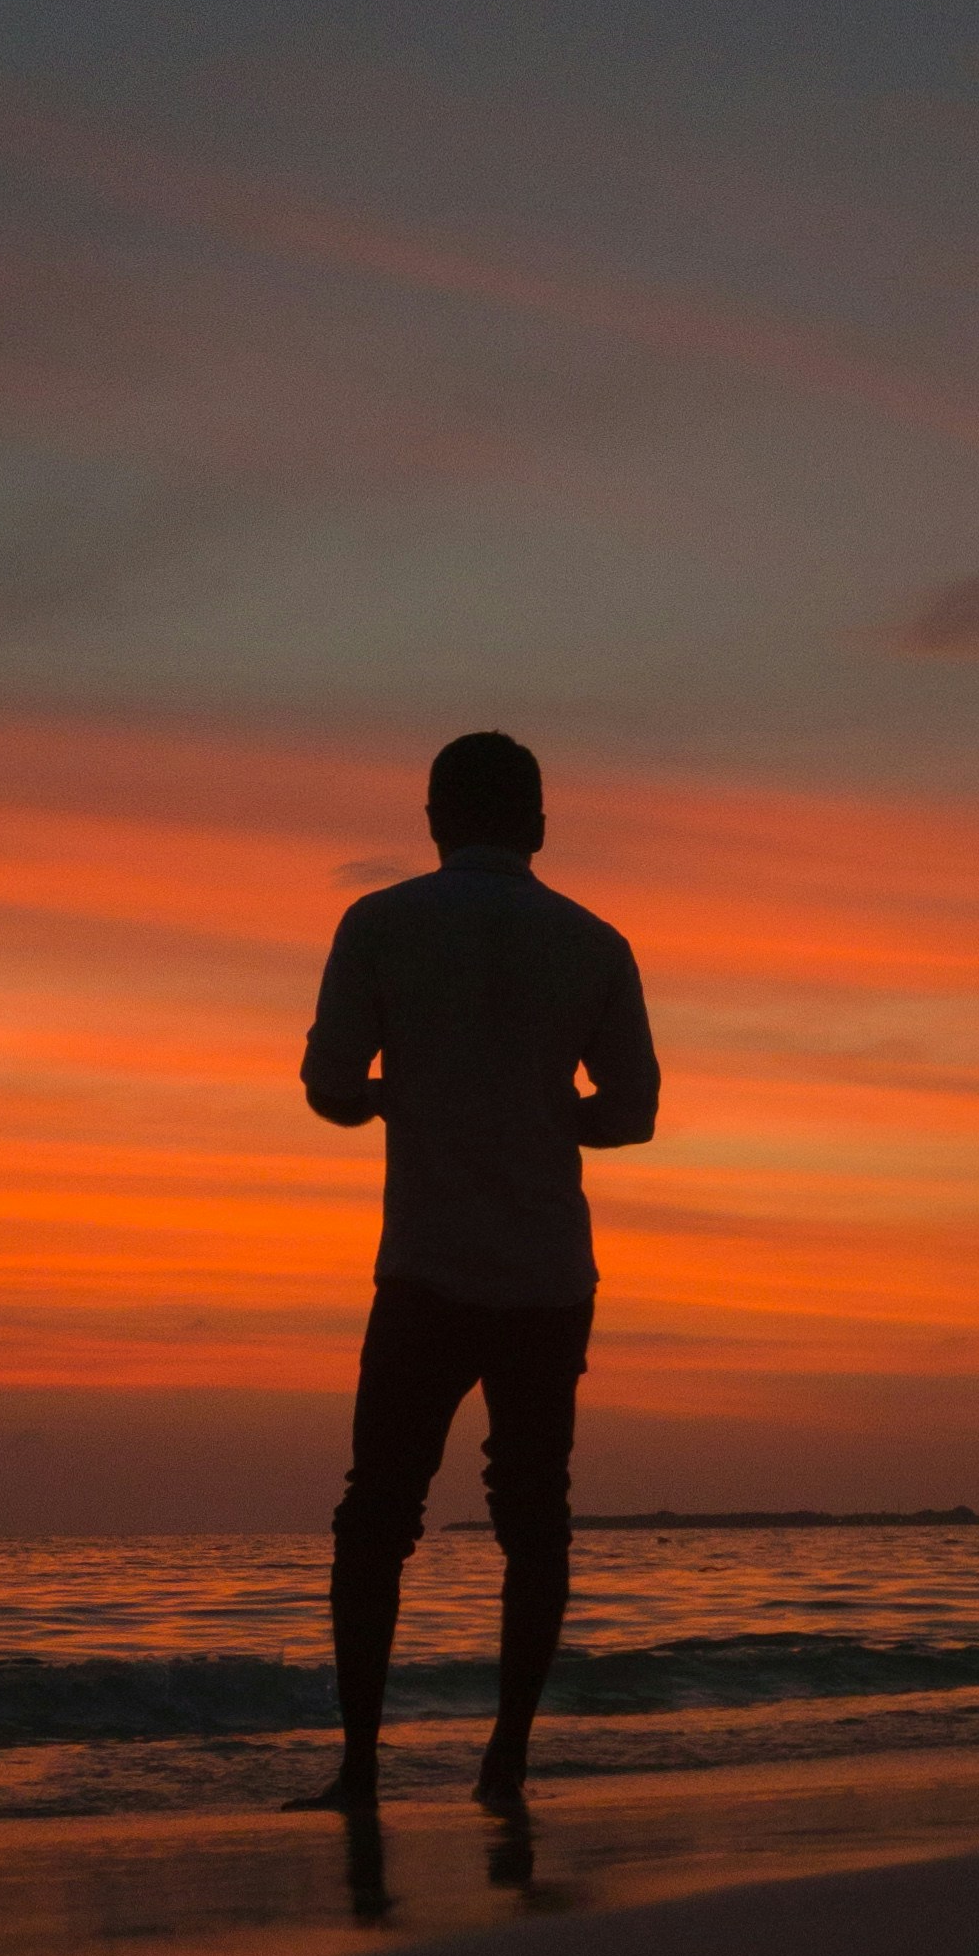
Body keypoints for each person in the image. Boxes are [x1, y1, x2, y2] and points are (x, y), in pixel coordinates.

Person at [290, 730, 660, 1811]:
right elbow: (631, 1114)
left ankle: (359, 1766)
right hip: (547, 1274)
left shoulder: (379, 923)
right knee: (533, 1516)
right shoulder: (594, 942)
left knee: (378, 1514)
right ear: (538, 826)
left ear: (433, 821)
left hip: (425, 1267)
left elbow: (328, 1086)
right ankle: (505, 1763)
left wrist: (395, 1099)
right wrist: (540, 1114)